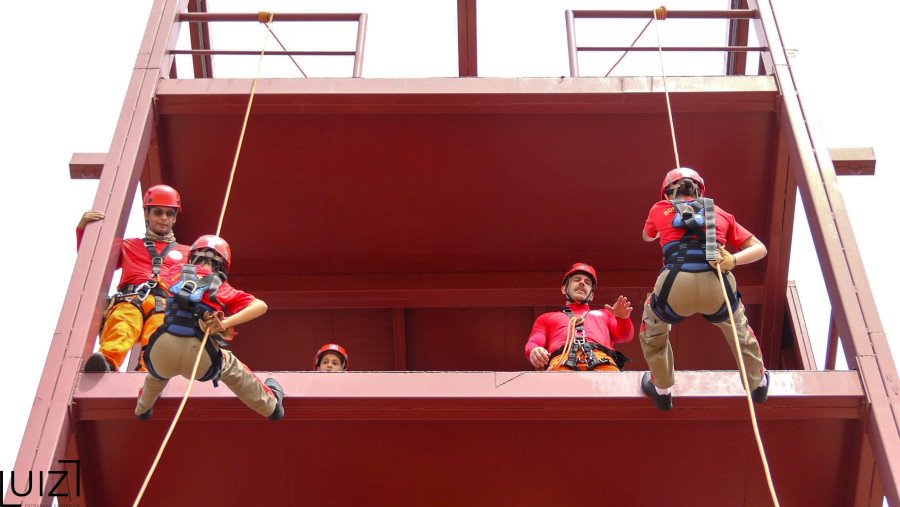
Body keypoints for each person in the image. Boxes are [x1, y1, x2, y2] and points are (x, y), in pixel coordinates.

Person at [639, 167, 769, 411]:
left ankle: (662, 389)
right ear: (699, 189)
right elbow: (760, 249)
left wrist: (664, 223)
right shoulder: (720, 213)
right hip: (717, 281)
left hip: (674, 282)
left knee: (653, 326)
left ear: (667, 192)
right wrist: (734, 260)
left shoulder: (658, 208)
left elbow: (647, 236)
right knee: (738, 326)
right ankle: (757, 383)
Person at [134, 234, 285, 421]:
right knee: (231, 367)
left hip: (162, 347)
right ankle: (271, 406)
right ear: (222, 265)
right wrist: (225, 323)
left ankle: (143, 408)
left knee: (156, 374)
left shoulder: (172, 271)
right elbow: (260, 306)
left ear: (192, 256)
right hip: (198, 355)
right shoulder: (222, 287)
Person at [78, 184, 191, 372]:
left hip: (165, 304)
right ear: (147, 214)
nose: (164, 218)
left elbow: (204, 282)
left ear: (175, 218)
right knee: (123, 323)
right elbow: (93, 262)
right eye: (158, 212)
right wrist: (84, 230)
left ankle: (149, 374)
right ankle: (106, 363)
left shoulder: (188, 253)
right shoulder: (129, 245)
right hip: (131, 299)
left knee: (160, 335)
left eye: (170, 214)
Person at [525, 263, 633, 371]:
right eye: (577, 280)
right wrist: (533, 349)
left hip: (603, 364)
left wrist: (622, 318)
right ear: (564, 289)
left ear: (591, 296)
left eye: (587, 282)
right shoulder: (546, 318)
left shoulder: (606, 314)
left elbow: (624, 336)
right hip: (560, 365)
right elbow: (534, 341)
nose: (582, 283)